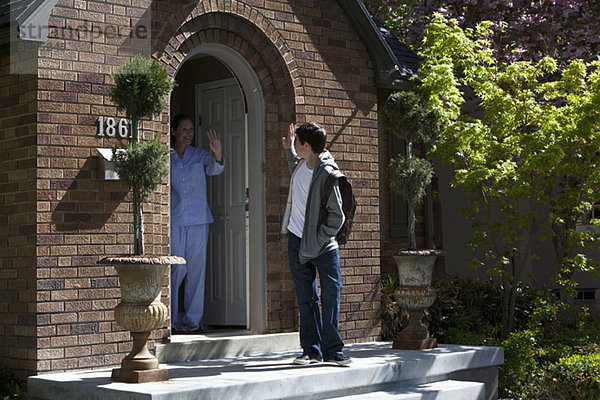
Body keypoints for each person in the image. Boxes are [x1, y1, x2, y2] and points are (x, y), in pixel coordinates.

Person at [281, 122, 351, 366]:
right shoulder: (302, 164)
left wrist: (319, 238)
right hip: (296, 241)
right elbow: (295, 168)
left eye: (298, 142)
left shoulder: (327, 175)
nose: (295, 145)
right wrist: (289, 149)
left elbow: (337, 216)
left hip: (323, 246)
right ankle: (311, 351)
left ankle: (333, 351)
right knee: (305, 298)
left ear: (307, 146)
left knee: (330, 296)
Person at [170, 114, 224, 332]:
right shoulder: (167, 157)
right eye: (184, 129)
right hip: (175, 220)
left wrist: (218, 152)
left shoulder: (199, 155)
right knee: (176, 270)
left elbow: (215, 169)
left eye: (191, 129)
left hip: (199, 220)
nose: (188, 134)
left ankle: (192, 321)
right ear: (173, 131)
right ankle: (170, 320)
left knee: (196, 271)